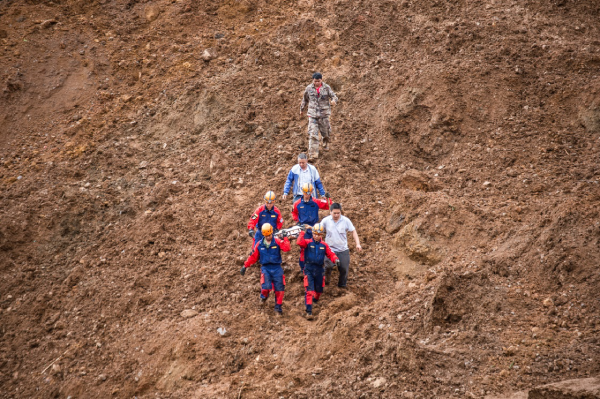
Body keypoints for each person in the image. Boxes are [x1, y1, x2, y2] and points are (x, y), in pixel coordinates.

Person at [241, 224, 291, 315]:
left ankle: (278, 308)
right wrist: (245, 266)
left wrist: (285, 238)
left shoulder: (277, 241)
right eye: (266, 236)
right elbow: (253, 256)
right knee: (266, 287)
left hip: (277, 267)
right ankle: (263, 296)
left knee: (280, 288)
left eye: (269, 235)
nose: (268, 237)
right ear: (264, 235)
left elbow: (287, 248)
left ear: (272, 233)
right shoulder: (259, 244)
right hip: (265, 268)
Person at [297, 223, 339, 319]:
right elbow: (299, 242)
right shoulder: (307, 242)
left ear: (322, 235)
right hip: (309, 268)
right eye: (315, 234)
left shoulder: (324, 245)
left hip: (319, 269)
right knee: (309, 290)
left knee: (319, 290)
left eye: (319, 234)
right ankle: (309, 311)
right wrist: (302, 232)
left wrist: (335, 259)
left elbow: (330, 253)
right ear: (312, 233)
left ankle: (316, 299)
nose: (317, 236)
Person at [322, 203, 362, 289]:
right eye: (334, 213)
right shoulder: (326, 221)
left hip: (343, 249)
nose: (336, 215)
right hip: (330, 249)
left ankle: (342, 285)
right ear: (330, 212)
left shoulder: (346, 220)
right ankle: (326, 280)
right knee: (328, 266)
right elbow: (318, 230)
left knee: (344, 269)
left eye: (338, 213)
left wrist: (357, 244)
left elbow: (353, 231)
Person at [300, 72, 338, 159]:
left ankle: (325, 144)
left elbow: (334, 96)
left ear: (321, 80)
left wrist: (334, 101)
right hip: (313, 115)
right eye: (315, 81)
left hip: (324, 115)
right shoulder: (309, 88)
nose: (317, 82)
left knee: (326, 133)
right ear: (313, 80)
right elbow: (304, 100)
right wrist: (301, 109)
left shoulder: (326, 88)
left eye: (318, 81)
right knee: (313, 134)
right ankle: (313, 154)